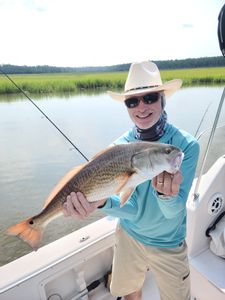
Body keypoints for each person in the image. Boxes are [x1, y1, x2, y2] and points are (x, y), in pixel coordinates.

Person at [63, 61, 200, 300]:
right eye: (132, 101)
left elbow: (174, 213)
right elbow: (131, 208)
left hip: (168, 242)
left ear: (162, 99)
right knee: (127, 291)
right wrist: (102, 203)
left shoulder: (183, 147)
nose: (141, 107)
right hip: (129, 235)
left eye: (150, 98)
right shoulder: (117, 149)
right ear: (127, 106)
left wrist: (166, 196)